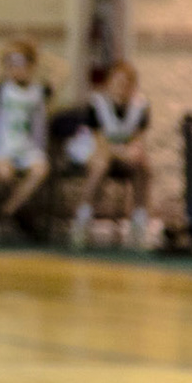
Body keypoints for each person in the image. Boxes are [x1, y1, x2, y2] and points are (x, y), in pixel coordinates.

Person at [67, 61, 152, 250]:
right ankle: (82, 219)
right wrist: (124, 153)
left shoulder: (141, 106)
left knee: (144, 166)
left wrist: (135, 153)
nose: (122, 86)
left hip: (122, 154)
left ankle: (139, 223)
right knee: (100, 165)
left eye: (127, 82)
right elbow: (100, 144)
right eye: (117, 81)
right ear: (109, 83)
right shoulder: (97, 104)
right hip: (93, 150)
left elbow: (138, 139)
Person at [0, 38, 52, 228]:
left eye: (22, 64)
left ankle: (6, 210)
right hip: (4, 147)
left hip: (29, 147)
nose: (17, 69)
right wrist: (9, 50)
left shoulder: (39, 92)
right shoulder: (2, 89)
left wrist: (39, 55)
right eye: (12, 64)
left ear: (31, 65)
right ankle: (23, 213)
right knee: (4, 173)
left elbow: (64, 71)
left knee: (40, 170)